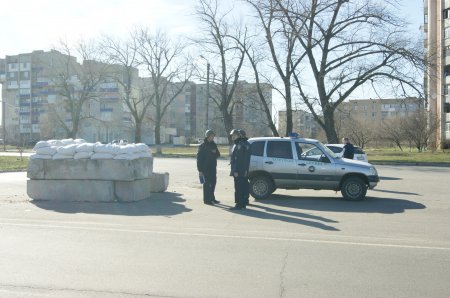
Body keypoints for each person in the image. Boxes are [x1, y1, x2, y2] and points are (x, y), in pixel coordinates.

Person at [197, 130, 221, 205]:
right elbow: (199, 159)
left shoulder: (213, 144)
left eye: (213, 136)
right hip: (205, 169)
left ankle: (212, 198)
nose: (212, 137)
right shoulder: (202, 146)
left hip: (213, 168)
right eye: (211, 136)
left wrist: (215, 153)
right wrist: (200, 170)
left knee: (213, 183)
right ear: (207, 136)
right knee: (207, 185)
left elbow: (218, 155)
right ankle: (207, 200)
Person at [229, 129, 251, 210]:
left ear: (238, 136)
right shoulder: (242, 144)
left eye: (235, 135)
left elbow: (238, 159)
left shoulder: (239, 145)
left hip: (238, 171)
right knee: (242, 187)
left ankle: (239, 204)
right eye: (232, 135)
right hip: (242, 170)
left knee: (238, 188)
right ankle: (243, 203)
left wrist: (235, 171)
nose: (233, 137)